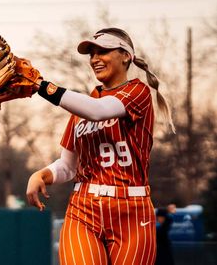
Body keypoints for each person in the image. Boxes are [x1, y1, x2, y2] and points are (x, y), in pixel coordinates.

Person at [25, 28, 175, 264]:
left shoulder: (138, 92)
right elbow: (68, 165)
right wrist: (43, 174)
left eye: (103, 51)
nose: (95, 59)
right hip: (84, 208)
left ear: (126, 55)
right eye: (91, 54)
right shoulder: (82, 105)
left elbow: (99, 111)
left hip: (132, 211)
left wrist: (40, 86)